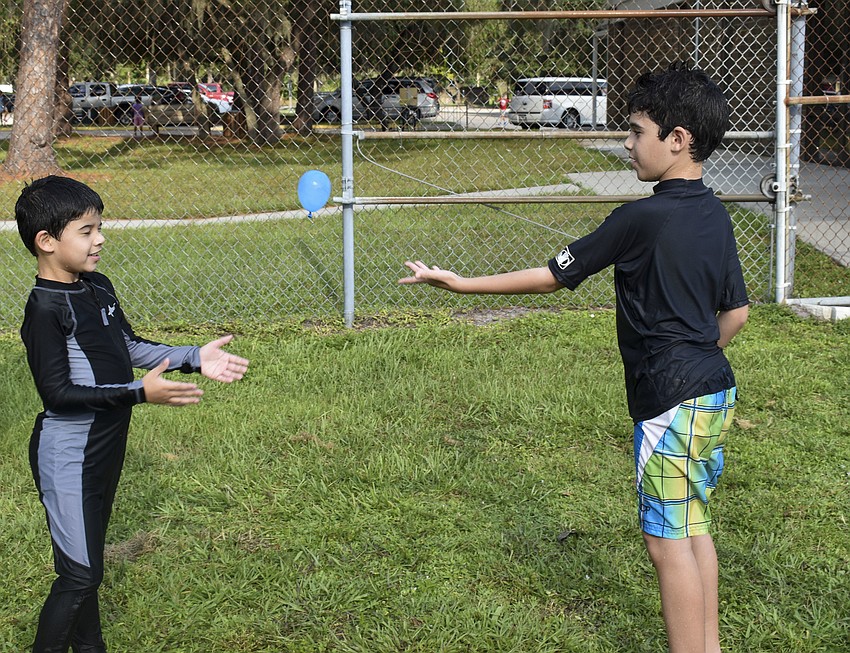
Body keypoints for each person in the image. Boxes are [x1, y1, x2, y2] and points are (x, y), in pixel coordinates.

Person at [399, 62, 749, 653]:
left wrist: (459, 285)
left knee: (668, 544)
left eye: (637, 131)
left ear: (678, 139)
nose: (627, 143)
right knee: (693, 527)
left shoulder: (638, 218)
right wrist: (695, 363)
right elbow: (735, 315)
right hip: (716, 393)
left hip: (669, 403)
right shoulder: (717, 213)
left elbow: (551, 276)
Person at [15, 175, 250, 653]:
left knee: (88, 567)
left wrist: (193, 356)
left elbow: (127, 345)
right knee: (78, 575)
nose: (99, 238)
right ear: (46, 241)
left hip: (104, 449)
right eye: (85, 230)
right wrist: (140, 394)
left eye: (99, 226)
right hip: (67, 456)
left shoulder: (96, 287)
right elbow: (58, 394)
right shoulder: (44, 309)